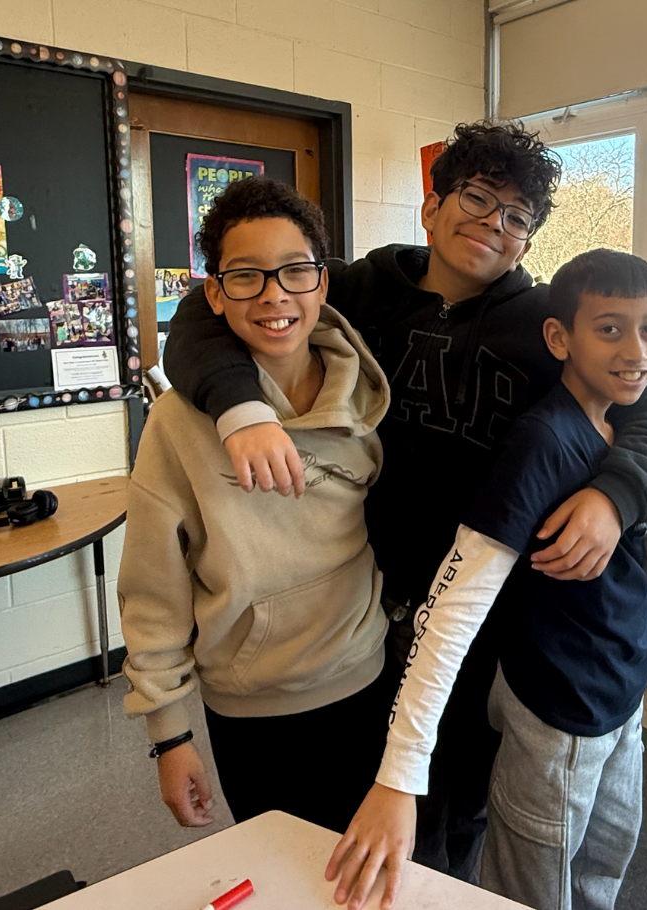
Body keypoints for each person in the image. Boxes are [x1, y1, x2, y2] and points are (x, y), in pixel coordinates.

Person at [163, 122, 647, 880]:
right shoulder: (355, 290)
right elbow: (201, 313)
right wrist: (240, 408)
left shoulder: (542, 322)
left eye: (517, 216)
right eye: (476, 198)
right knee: (367, 807)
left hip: (478, 617)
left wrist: (619, 495)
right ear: (432, 206)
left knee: (461, 806)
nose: (493, 223)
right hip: (362, 610)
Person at [330, 250, 647, 910]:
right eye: (610, 329)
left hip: (621, 700)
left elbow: (595, 569)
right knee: (532, 891)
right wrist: (400, 774)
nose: (637, 351)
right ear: (559, 338)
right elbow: (452, 607)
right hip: (557, 705)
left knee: (599, 872)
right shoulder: (542, 441)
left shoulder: (619, 426)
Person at [117, 177, 395, 833]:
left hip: (367, 681)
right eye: (246, 276)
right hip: (251, 709)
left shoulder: (372, 397)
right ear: (214, 294)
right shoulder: (178, 423)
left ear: (322, 283)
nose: (274, 294)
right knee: (280, 873)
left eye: (295, 271)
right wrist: (169, 734)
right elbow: (153, 587)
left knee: (373, 872)